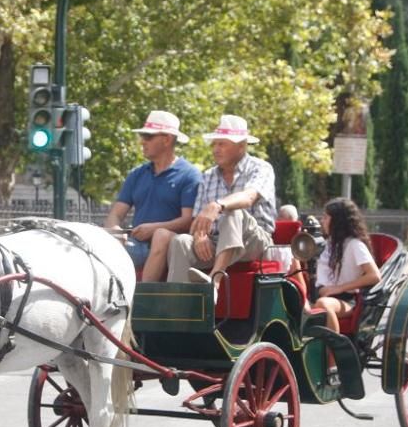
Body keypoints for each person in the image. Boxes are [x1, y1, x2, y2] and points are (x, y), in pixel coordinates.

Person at [166, 115, 277, 302]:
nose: (215, 149)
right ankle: (176, 306)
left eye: (221, 144)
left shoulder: (261, 168)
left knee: (232, 211)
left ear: (241, 146)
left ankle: (214, 282)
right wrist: (200, 236)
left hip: (255, 241)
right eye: (214, 144)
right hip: (217, 241)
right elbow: (197, 220)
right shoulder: (208, 175)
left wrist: (218, 205)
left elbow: (249, 197)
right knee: (180, 241)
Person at [103, 110, 201, 281]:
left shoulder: (190, 175)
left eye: (148, 136)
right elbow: (115, 215)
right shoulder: (137, 174)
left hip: (171, 247)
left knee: (161, 236)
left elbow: (188, 221)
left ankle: (141, 301)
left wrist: (153, 228)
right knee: (92, 249)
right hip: (135, 245)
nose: (142, 142)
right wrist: (117, 233)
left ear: (167, 139)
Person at [311, 198, 380, 384]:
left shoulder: (354, 245)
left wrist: (338, 288)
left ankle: (333, 364)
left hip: (346, 300)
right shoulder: (330, 244)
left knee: (324, 305)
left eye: (325, 217)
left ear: (337, 220)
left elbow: (374, 275)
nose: (322, 221)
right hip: (325, 295)